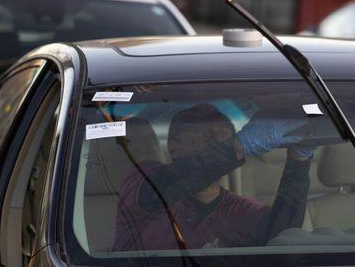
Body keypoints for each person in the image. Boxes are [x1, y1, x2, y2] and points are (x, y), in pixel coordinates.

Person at [112, 103, 313, 251]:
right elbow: (168, 186)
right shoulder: (143, 180)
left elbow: (284, 239)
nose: (221, 144)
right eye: (211, 139)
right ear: (173, 148)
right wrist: (238, 145)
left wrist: (299, 161)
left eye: (223, 139)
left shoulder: (240, 210)